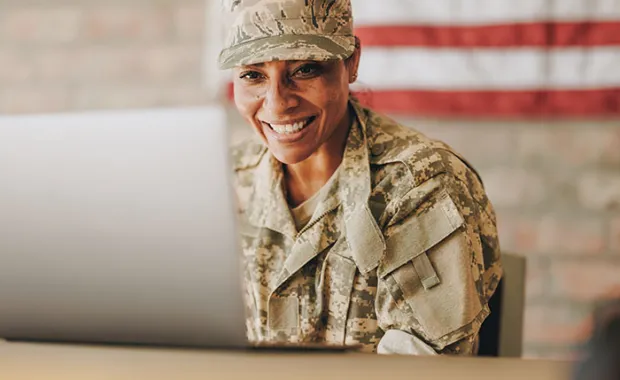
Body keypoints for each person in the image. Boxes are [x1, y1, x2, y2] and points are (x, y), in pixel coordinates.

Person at [218, 0, 503, 355]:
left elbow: (419, 370)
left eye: (305, 70)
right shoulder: (223, 181)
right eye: (252, 75)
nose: (277, 104)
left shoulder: (420, 184)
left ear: (351, 62)